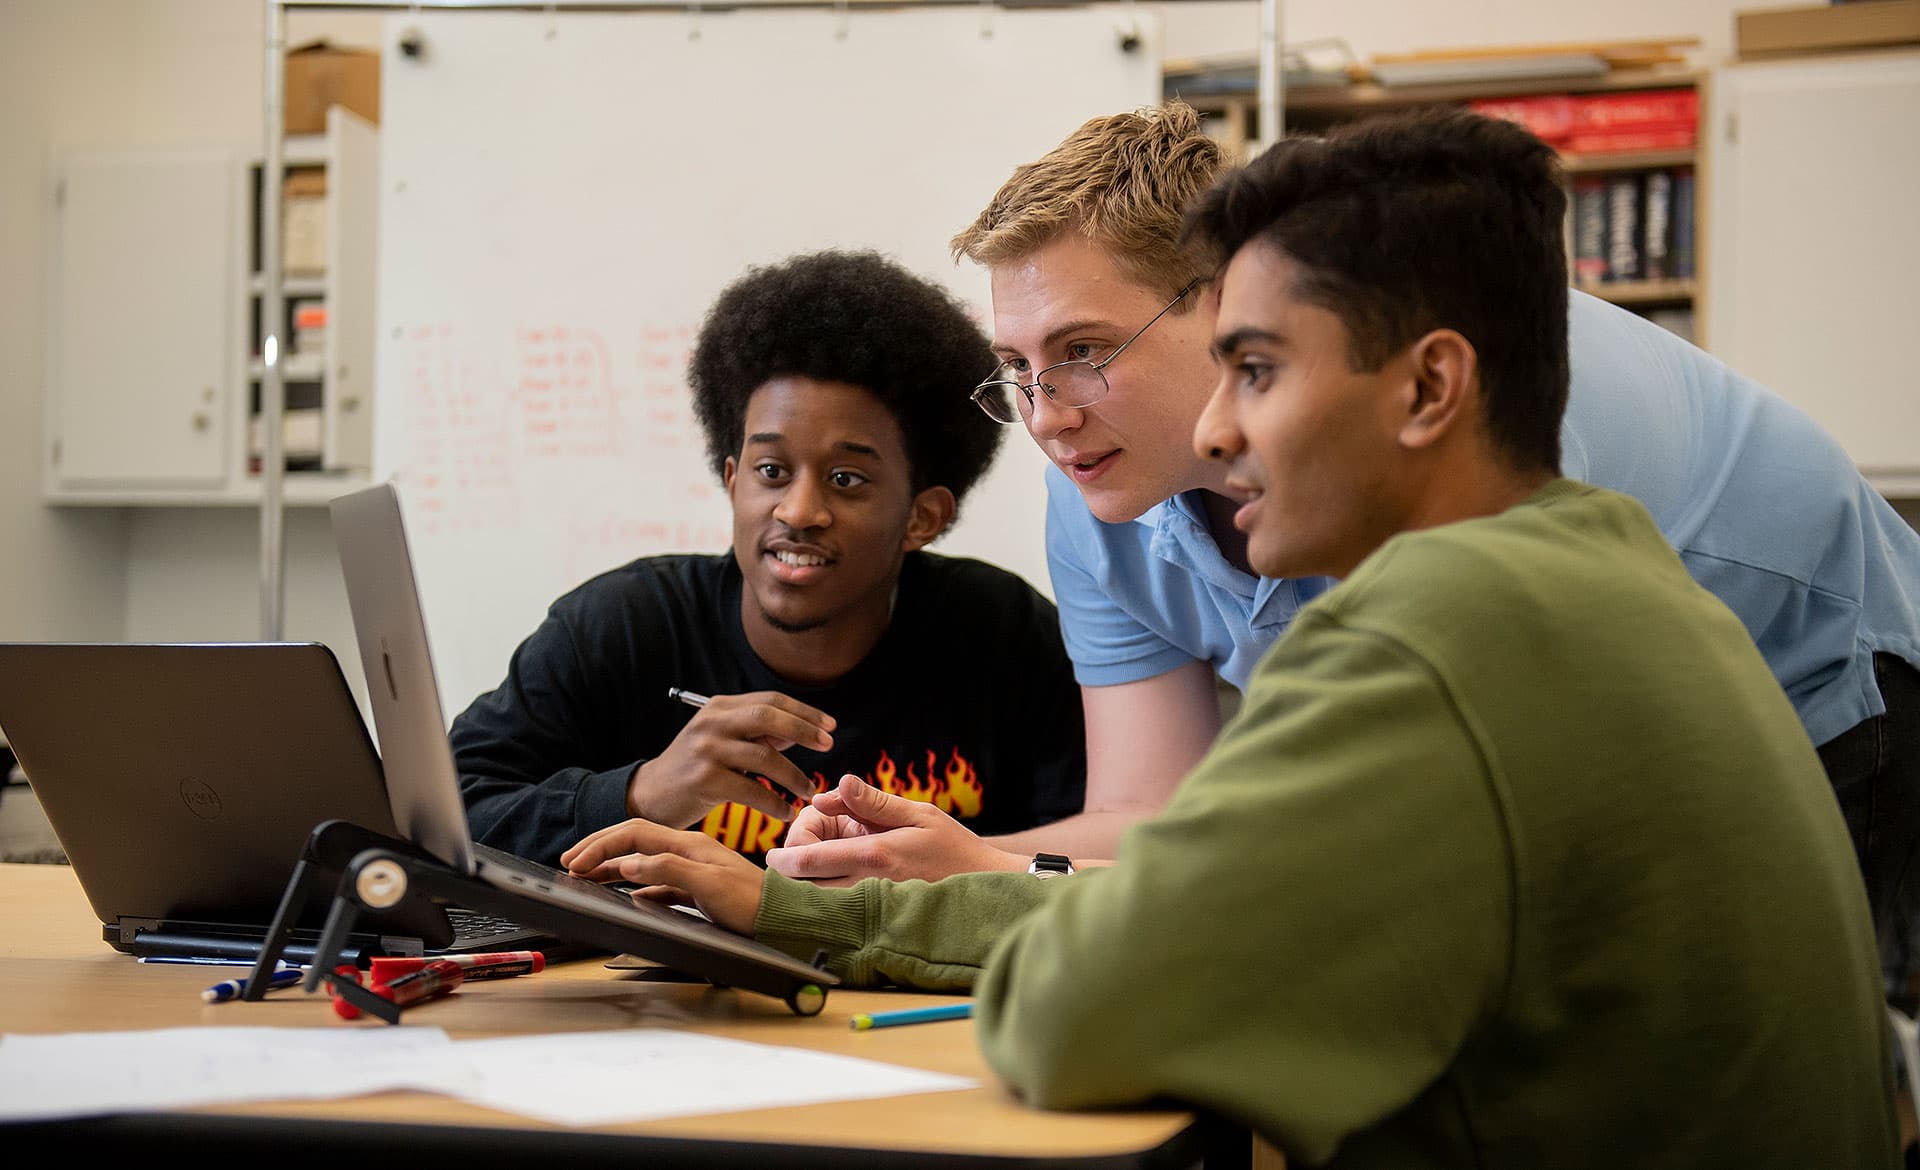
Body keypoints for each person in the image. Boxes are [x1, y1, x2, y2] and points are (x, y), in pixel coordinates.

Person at [562, 109, 1899, 1166]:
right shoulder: (1578, 552)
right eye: (1015, 369)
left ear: (1433, 382)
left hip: (1870, 713)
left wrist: (912, 916)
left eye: (1257, 370)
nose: (1213, 433)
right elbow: (1188, 858)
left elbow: (1113, 993)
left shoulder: (1449, 608)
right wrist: (862, 895)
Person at [763, 101, 1920, 990]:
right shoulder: (1098, 488)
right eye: (1015, 368)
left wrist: (981, 890)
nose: (1047, 413)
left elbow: (1425, 862)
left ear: (1225, 303)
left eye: (1084, 349)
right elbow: (1151, 812)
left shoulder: (1440, 428)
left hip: (1831, 702)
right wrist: (937, 857)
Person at [449, 249, 1086, 869]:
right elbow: (440, 811)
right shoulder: (621, 626)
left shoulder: (1002, 638)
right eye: (771, 470)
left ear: (923, 517)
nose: (798, 511)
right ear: (733, 482)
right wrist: (640, 793)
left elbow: (1097, 850)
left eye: (846, 479)